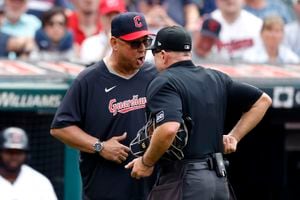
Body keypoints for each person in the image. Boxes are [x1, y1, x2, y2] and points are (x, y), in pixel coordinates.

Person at [125, 25, 272, 199]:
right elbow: (263, 100)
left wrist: (146, 162)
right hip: (218, 181)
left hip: (185, 181)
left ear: (163, 55)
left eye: (154, 54)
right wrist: (234, 136)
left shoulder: (165, 81)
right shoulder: (216, 77)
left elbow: (168, 129)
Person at [50, 12, 157, 200]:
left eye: (145, 42)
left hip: (150, 189)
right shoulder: (89, 80)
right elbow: (60, 127)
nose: (142, 49)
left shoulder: (155, 75)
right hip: (105, 188)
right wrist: (99, 146)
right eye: (134, 43)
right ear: (114, 43)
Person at [0, 127, 58, 200]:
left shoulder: (39, 182)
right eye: (10, 152)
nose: (14, 157)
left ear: (26, 154)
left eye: (19, 152)